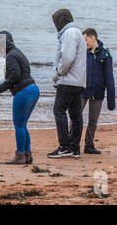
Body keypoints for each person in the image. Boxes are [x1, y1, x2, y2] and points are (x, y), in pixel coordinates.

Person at [0, 31, 40, 164]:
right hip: (33, 89)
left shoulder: (11, 56)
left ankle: (20, 156)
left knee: (19, 125)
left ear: (2, 44)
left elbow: (15, 76)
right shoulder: (17, 52)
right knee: (23, 125)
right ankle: (27, 156)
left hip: (24, 91)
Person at [48, 9, 87, 159]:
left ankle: (64, 146)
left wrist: (58, 72)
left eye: (56, 21)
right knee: (76, 114)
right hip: (78, 80)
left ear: (61, 21)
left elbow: (67, 58)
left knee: (59, 110)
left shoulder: (69, 33)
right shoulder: (76, 32)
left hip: (68, 80)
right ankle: (74, 147)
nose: (55, 25)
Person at [80, 28, 116, 154]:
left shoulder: (105, 54)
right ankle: (70, 145)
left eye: (85, 40)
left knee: (93, 121)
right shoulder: (82, 52)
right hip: (82, 91)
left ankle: (89, 145)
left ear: (93, 38)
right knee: (76, 117)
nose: (84, 43)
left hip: (98, 92)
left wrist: (111, 101)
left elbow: (109, 78)